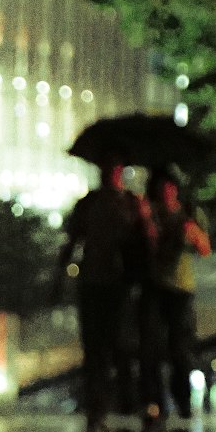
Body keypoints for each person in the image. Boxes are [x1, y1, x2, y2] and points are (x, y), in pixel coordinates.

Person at [59, 159, 152, 417]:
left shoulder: (131, 204)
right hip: (95, 280)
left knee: (119, 344)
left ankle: (121, 401)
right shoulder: (90, 204)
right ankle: (101, 401)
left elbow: (145, 240)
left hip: (119, 281)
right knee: (97, 346)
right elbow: (72, 240)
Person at [141, 169, 210, 419]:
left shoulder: (189, 213)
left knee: (180, 347)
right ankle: (154, 401)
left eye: (169, 186)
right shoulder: (147, 213)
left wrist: (189, 230)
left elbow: (205, 248)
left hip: (181, 288)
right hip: (153, 284)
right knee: (151, 346)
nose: (166, 191)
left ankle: (182, 401)